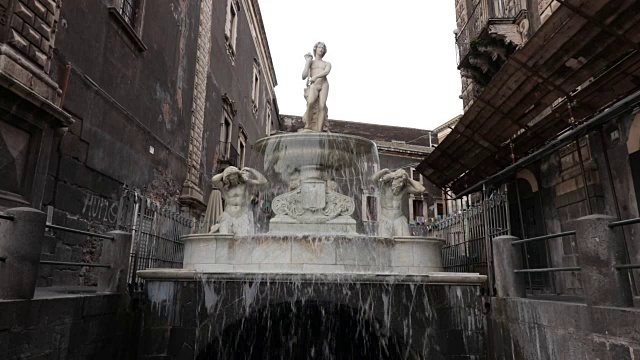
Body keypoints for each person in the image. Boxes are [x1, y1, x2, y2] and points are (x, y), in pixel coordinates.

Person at [210, 166, 268, 235]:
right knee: (224, 239)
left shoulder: (245, 184)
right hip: (228, 215)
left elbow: (263, 181)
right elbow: (214, 179)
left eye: (235, 176)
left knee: (242, 241)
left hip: (242, 215)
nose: (233, 178)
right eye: (231, 177)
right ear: (227, 178)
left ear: (238, 175)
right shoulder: (225, 187)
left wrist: (251, 169)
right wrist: (225, 172)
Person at [371, 168, 426, 237]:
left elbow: (421, 189)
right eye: (399, 181)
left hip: (399, 220)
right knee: (384, 244)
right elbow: (373, 180)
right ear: (394, 179)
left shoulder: (404, 188)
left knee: (404, 244)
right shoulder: (384, 186)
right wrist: (384, 171)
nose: (400, 184)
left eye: (402, 183)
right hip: (385, 219)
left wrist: (408, 178)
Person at [301, 41, 331, 132]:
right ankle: (308, 125)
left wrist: (316, 76)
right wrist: (307, 62)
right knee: (310, 103)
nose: (321, 49)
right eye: (319, 47)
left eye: (323, 48)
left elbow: (326, 72)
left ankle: (319, 130)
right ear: (315, 49)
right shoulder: (311, 62)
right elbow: (303, 76)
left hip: (324, 84)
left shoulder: (327, 63)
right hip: (314, 85)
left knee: (322, 106)